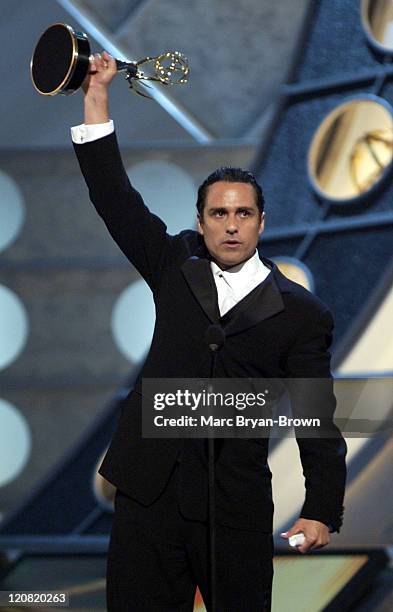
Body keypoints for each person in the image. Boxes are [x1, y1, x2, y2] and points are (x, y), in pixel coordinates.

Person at [71, 51, 347, 611]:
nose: (231, 224)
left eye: (243, 213)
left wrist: (321, 508)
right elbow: (113, 197)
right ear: (200, 222)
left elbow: (315, 416)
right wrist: (96, 95)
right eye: (219, 214)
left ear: (262, 222)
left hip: (234, 502)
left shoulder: (302, 313)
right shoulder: (173, 266)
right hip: (148, 493)